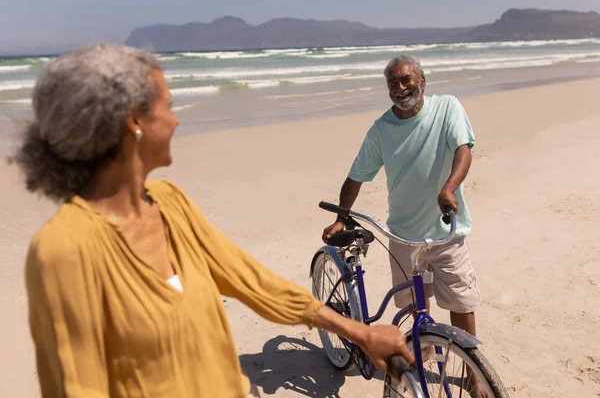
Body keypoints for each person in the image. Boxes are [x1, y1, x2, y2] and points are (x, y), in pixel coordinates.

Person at [10, 43, 413, 398]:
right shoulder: (64, 249)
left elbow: (252, 282)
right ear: (134, 121)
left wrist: (360, 333)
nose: (176, 120)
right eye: (168, 105)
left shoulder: (170, 202)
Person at [322, 54, 481, 353]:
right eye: (392, 82)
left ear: (422, 81)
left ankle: (473, 374)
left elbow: (464, 150)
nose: (400, 87)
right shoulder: (381, 129)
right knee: (414, 307)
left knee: (461, 302)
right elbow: (356, 176)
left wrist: (449, 189)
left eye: (406, 79)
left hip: (447, 232)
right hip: (402, 236)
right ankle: (424, 358)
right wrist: (341, 218)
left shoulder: (447, 107)